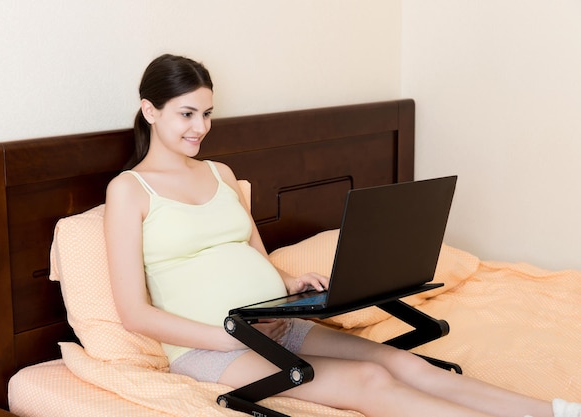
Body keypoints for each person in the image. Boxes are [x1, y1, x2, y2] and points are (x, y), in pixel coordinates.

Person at [104, 53, 580, 417]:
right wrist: (224, 338)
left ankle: (556, 413)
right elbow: (133, 312)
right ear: (149, 110)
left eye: (207, 114)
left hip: (274, 323)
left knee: (411, 365)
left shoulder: (221, 173)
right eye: (187, 114)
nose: (201, 128)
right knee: (369, 381)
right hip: (209, 349)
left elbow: (251, 251)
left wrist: (284, 284)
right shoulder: (129, 191)